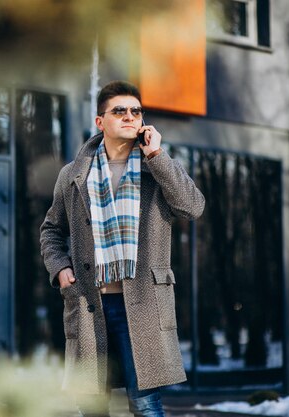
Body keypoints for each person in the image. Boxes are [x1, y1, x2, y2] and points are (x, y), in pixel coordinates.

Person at [40, 81, 205, 417]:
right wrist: (60, 269)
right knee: (92, 405)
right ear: (100, 121)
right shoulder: (73, 175)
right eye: (120, 111)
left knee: (145, 405)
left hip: (142, 305)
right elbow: (51, 230)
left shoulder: (155, 169)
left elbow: (193, 207)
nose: (130, 117)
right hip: (90, 304)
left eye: (136, 111)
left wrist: (157, 155)